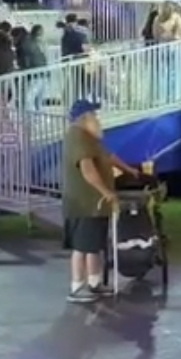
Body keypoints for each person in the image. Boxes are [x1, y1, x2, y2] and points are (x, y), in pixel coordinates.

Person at [61, 96, 134, 303]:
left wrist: (129, 170)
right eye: (94, 114)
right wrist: (106, 192)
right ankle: (77, 287)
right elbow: (87, 169)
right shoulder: (77, 136)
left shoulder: (90, 138)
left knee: (94, 245)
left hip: (96, 205)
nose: (97, 118)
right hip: (84, 203)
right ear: (84, 118)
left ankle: (94, 283)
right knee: (82, 246)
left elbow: (108, 157)